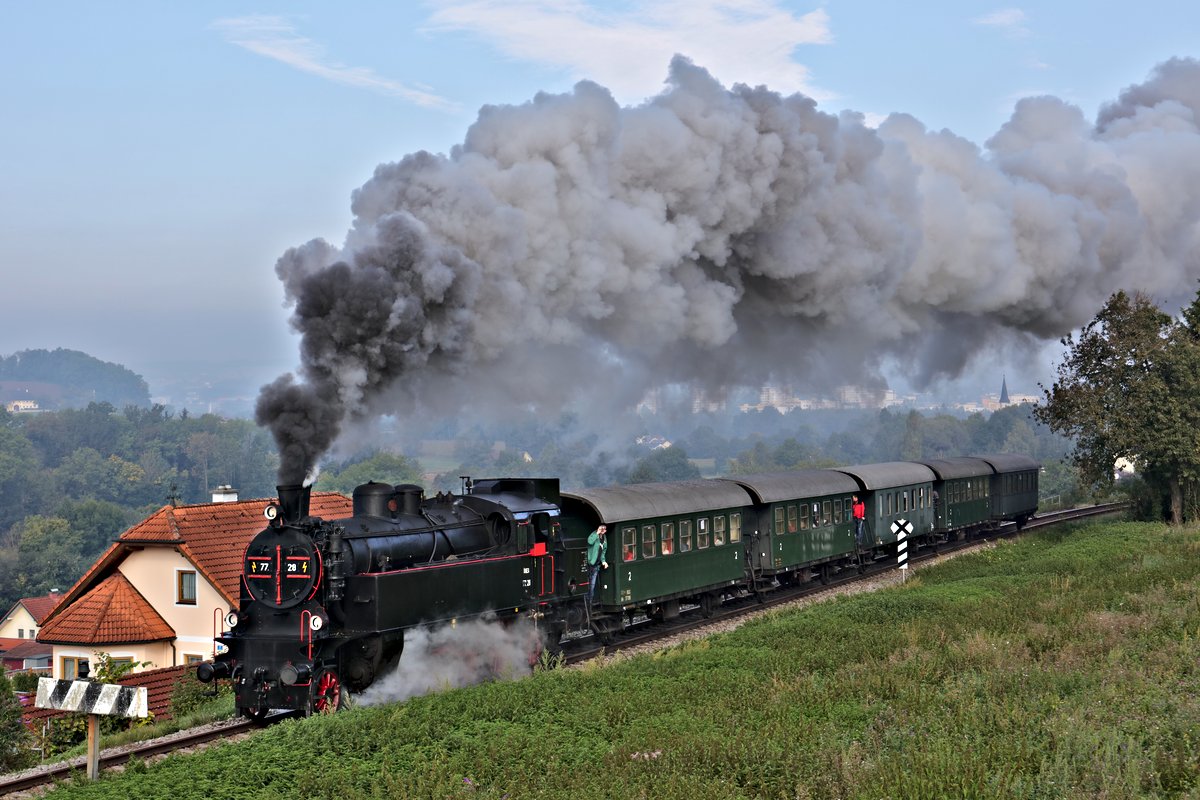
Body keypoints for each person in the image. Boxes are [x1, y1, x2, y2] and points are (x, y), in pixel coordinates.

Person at [586, 524, 608, 602]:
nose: (603, 530)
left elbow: (603, 551)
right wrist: (597, 533)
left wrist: (603, 561)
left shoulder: (604, 538)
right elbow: (590, 542)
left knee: (592, 585)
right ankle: (588, 601)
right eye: (601, 528)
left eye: (604, 529)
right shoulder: (594, 534)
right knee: (588, 585)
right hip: (589, 564)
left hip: (596, 565)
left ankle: (590, 602)